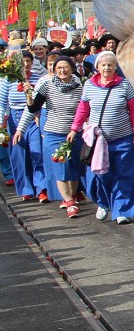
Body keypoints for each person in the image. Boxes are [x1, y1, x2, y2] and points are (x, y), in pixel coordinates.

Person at [68, 51, 134, 225]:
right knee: (98, 176)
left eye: (110, 64)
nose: (107, 67)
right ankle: (102, 203)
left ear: (115, 67)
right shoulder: (88, 85)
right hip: (97, 141)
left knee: (124, 175)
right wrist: (74, 129)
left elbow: (133, 110)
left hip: (123, 138)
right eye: (103, 65)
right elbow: (82, 110)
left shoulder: (124, 85)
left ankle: (122, 210)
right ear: (97, 67)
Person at [16, 55, 84, 218]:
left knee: (73, 167)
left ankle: (73, 196)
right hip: (54, 133)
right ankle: (68, 201)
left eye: (65, 67)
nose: (62, 70)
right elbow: (33, 109)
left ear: (71, 69)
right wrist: (29, 96)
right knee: (60, 166)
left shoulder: (79, 86)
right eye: (58, 68)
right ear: (54, 70)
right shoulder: (47, 85)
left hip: (74, 132)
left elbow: (85, 108)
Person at [1, 52, 46, 202]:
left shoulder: (37, 78)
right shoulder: (7, 79)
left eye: (28, 61)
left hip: (33, 118)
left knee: (36, 152)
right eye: (22, 62)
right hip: (14, 118)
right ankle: (26, 189)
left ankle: (41, 188)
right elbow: (2, 103)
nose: (25, 64)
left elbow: (41, 100)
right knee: (19, 155)